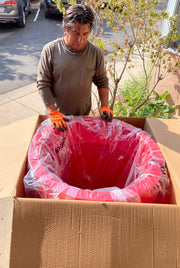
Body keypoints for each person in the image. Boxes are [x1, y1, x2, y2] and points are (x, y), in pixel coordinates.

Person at [37, 4, 113, 132]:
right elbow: (43, 84)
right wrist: (53, 112)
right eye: (75, 33)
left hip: (82, 118)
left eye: (85, 34)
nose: (80, 39)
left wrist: (105, 106)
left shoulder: (95, 53)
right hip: (57, 118)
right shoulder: (51, 50)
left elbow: (102, 81)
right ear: (65, 30)